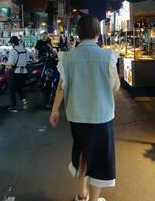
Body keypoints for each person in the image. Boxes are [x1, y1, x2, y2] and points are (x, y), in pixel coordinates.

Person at [50, 15, 120, 201]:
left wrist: (55, 110)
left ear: (78, 33)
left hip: (77, 116)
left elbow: (61, 86)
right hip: (102, 116)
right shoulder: (108, 57)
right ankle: (94, 199)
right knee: (99, 159)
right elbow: (116, 86)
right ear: (97, 32)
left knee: (83, 154)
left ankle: (82, 195)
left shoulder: (68, 58)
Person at [2, 36, 28, 113]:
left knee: (12, 89)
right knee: (20, 88)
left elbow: (11, 63)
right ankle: (24, 101)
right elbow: (28, 60)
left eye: (11, 43)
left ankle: (14, 107)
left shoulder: (13, 51)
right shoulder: (24, 50)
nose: (10, 45)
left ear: (13, 43)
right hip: (24, 72)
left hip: (15, 72)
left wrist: (3, 63)